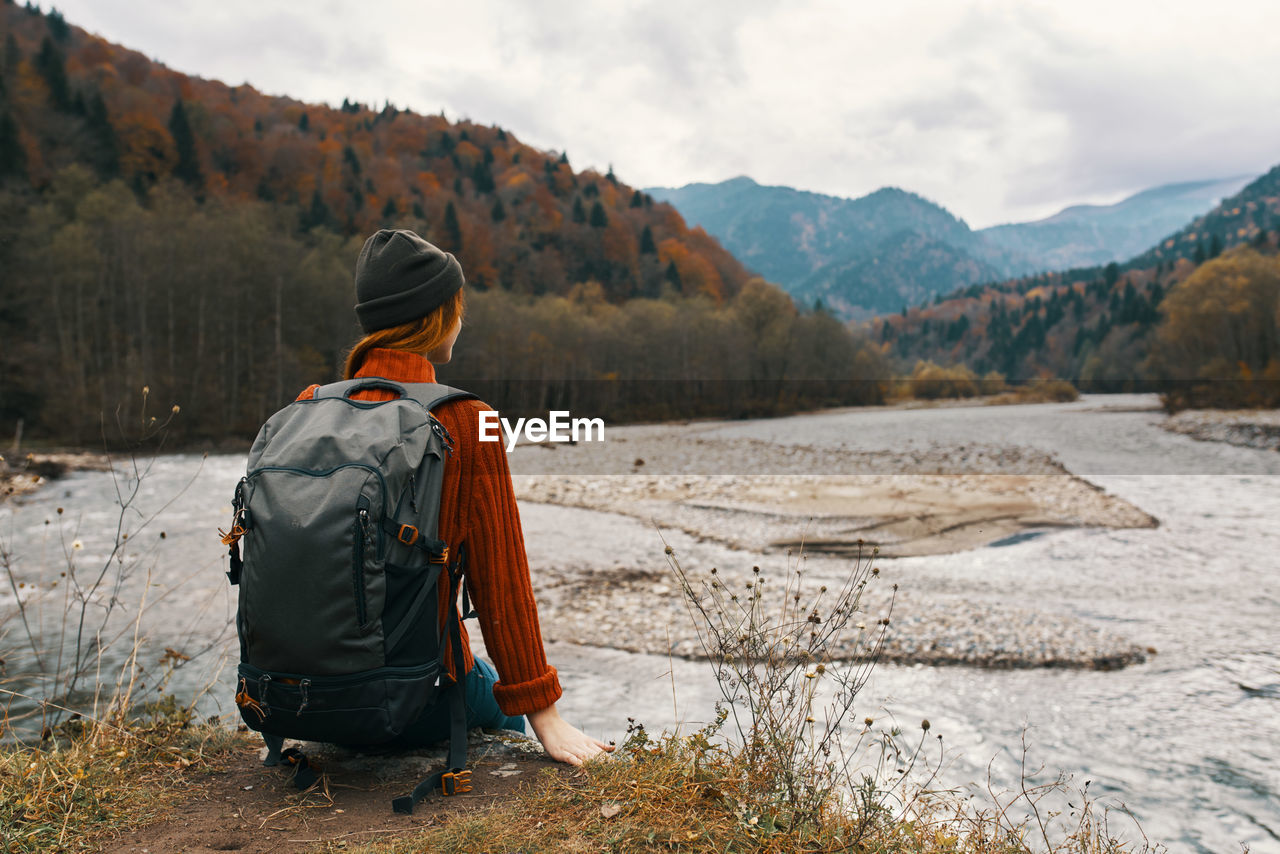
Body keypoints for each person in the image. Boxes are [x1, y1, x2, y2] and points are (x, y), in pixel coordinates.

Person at [296, 228, 612, 766]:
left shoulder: (305, 409)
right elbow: (499, 580)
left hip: (297, 697)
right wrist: (544, 715)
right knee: (494, 699)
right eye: (457, 308)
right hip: (416, 699)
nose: (462, 322)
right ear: (436, 317)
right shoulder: (466, 420)